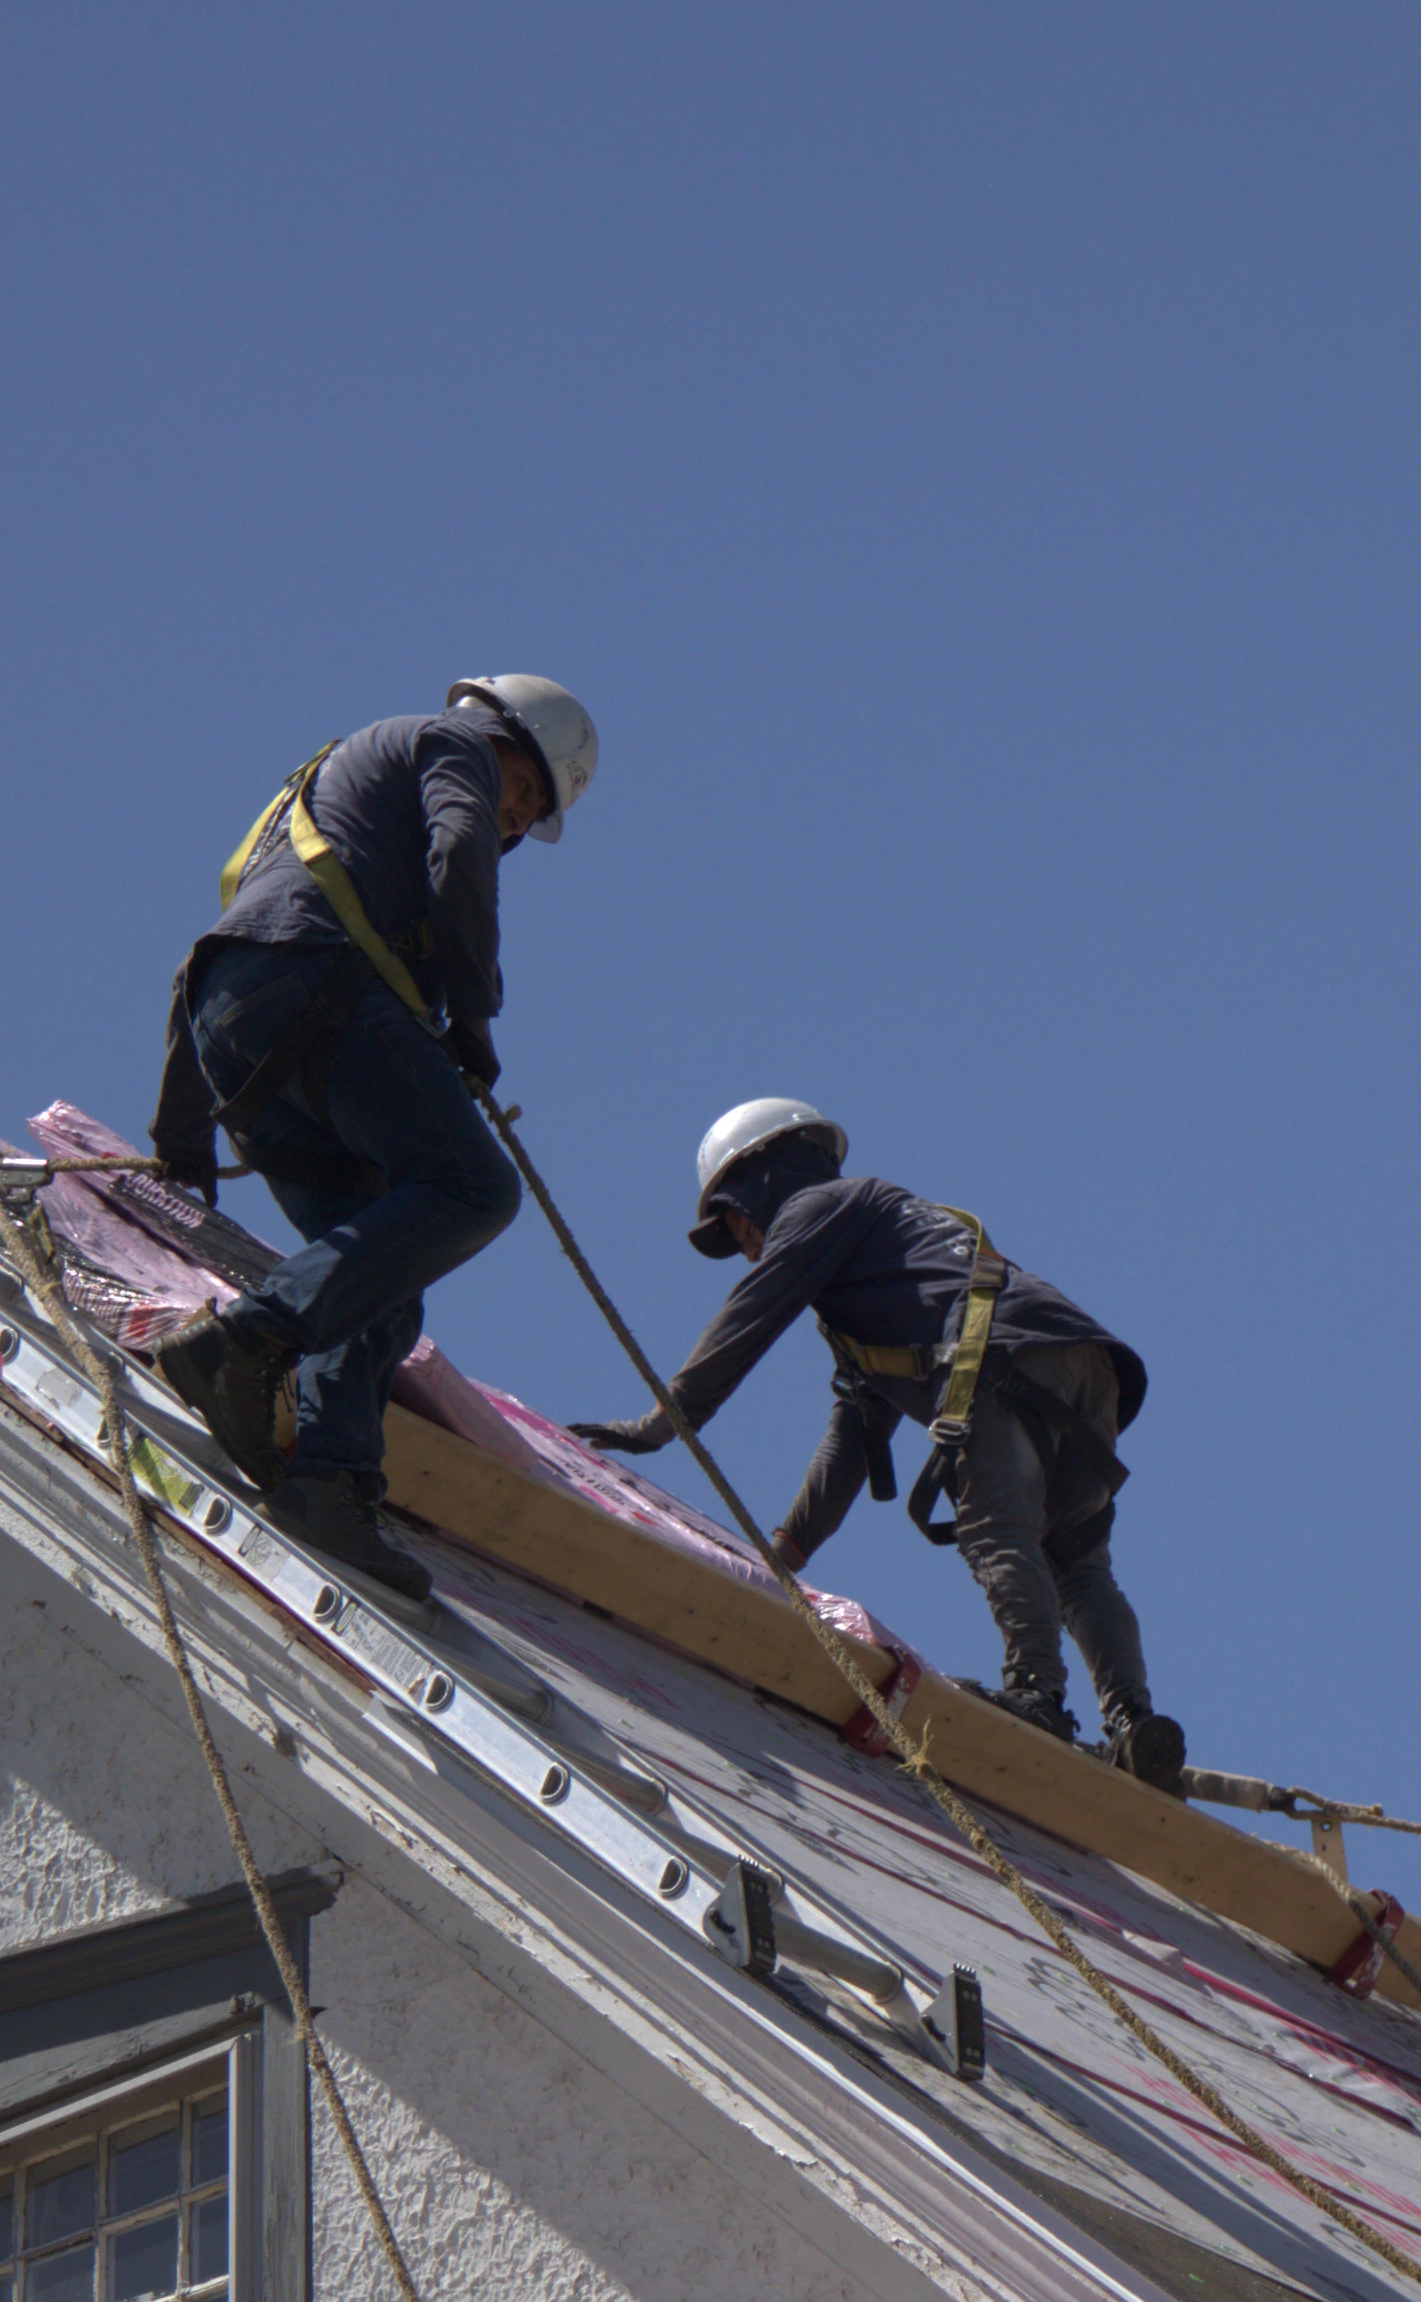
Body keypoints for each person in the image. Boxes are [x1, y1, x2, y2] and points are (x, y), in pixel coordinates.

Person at [568, 1096, 1179, 1784]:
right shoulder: (883, 1264)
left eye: (734, 1218)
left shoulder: (818, 1208)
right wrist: (786, 1553)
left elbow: (750, 1318)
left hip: (1000, 1355)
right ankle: (1134, 1724)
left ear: (762, 1178)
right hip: (1081, 1362)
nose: (743, 1243)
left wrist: (658, 1424)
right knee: (1078, 1562)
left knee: (996, 1531)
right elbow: (853, 1439)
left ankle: (1037, 1694)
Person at [144, 679, 598, 1598]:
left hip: (244, 1032)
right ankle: (249, 1337)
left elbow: (222, 951)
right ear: (500, 737)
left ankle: (329, 1487)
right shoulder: (447, 742)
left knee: (380, 1275)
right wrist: (471, 1018)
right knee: (474, 1189)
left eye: (527, 818)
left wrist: (181, 1129)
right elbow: (460, 849)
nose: (512, 822)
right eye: (522, 795)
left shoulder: (310, 804)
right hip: (321, 990)